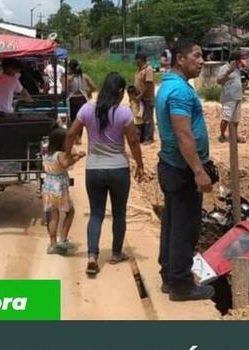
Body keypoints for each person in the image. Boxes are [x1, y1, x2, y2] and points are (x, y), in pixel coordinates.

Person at [64, 72, 145, 276]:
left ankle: (92, 255)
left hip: (94, 169)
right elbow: (134, 142)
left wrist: (66, 155)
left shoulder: (87, 109)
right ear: (119, 91)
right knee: (119, 213)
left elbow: (71, 133)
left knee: (97, 213)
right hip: (118, 169)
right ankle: (116, 254)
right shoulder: (124, 112)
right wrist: (140, 165)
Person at [155, 40, 215, 301]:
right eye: (197, 56)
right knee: (185, 227)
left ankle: (170, 275)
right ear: (180, 59)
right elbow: (183, 134)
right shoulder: (180, 92)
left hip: (171, 166)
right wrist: (199, 171)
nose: (201, 61)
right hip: (182, 169)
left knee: (172, 223)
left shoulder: (170, 85)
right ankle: (181, 284)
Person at [43, 127, 86, 255]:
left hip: (48, 187)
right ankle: (63, 239)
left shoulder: (47, 153)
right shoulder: (60, 155)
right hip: (59, 189)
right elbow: (66, 163)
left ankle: (52, 244)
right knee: (70, 212)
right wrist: (78, 157)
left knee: (52, 216)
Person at [216, 51, 246, 143]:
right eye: (238, 60)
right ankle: (222, 135)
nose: (240, 62)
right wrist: (229, 72)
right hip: (228, 97)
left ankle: (234, 135)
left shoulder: (237, 69)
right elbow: (219, 81)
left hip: (237, 97)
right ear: (233, 60)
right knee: (226, 118)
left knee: (236, 119)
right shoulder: (224, 68)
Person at [65, 59, 98, 144]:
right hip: (83, 99)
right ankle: (78, 137)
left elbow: (64, 90)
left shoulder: (69, 78)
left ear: (70, 68)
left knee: (72, 119)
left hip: (72, 100)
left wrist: (68, 81)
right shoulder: (85, 76)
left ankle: (75, 137)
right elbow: (94, 87)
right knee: (81, 119)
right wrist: (89, 93)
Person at [134, 53, 156, 144]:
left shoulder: (148, 70)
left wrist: (141, 95)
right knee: (141, 118)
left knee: (148, 118)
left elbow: (148, 84)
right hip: (139, 98)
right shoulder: (139, 70)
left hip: (147, 98)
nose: (135, 62)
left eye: (136, 60)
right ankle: (142, 137)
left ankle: (149, 138)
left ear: (141, 59)